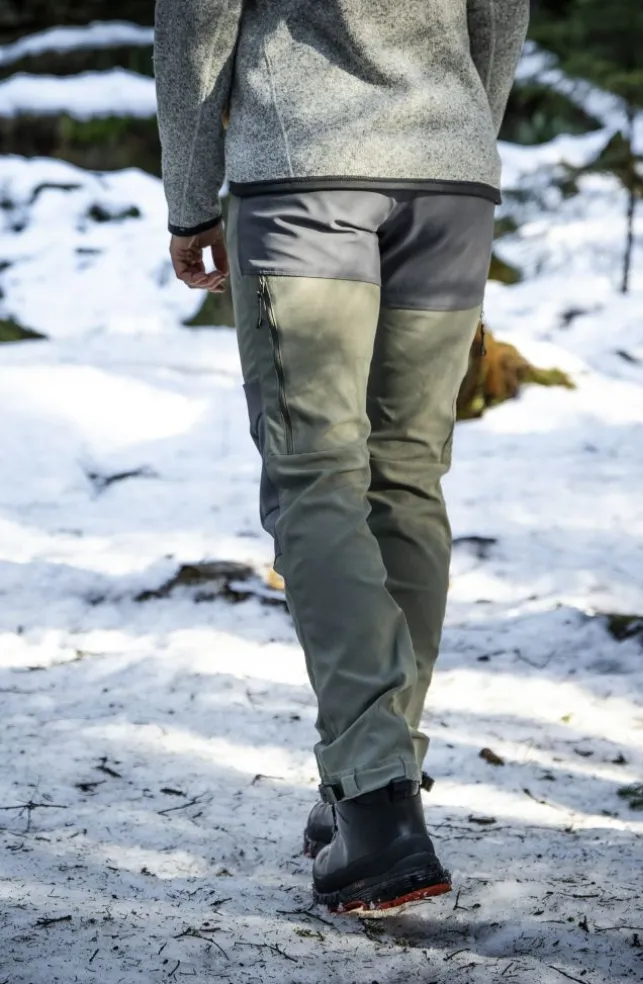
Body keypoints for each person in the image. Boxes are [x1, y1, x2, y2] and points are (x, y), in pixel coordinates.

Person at [155, 0, 529, 914]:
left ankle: (375, 797)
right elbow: (500, 14)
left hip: (304, 165)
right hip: (449, 175)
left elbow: (198, 20)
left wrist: (190, 199)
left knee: (317, 474)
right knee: (406, 476)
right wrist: (458, 130)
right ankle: (374, 777)